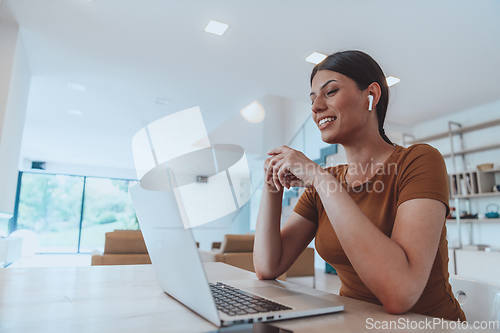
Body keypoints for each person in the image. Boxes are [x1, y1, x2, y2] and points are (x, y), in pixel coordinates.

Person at [253, 50, 465, 321]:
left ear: (371, 96)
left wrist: (320, 178)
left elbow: (400, 293)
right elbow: (268, 266)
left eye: (330, 92)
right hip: (355, 323)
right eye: (312, 98)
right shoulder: (325, 182)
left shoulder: (418, 161)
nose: (316, 107)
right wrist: (272, 184)